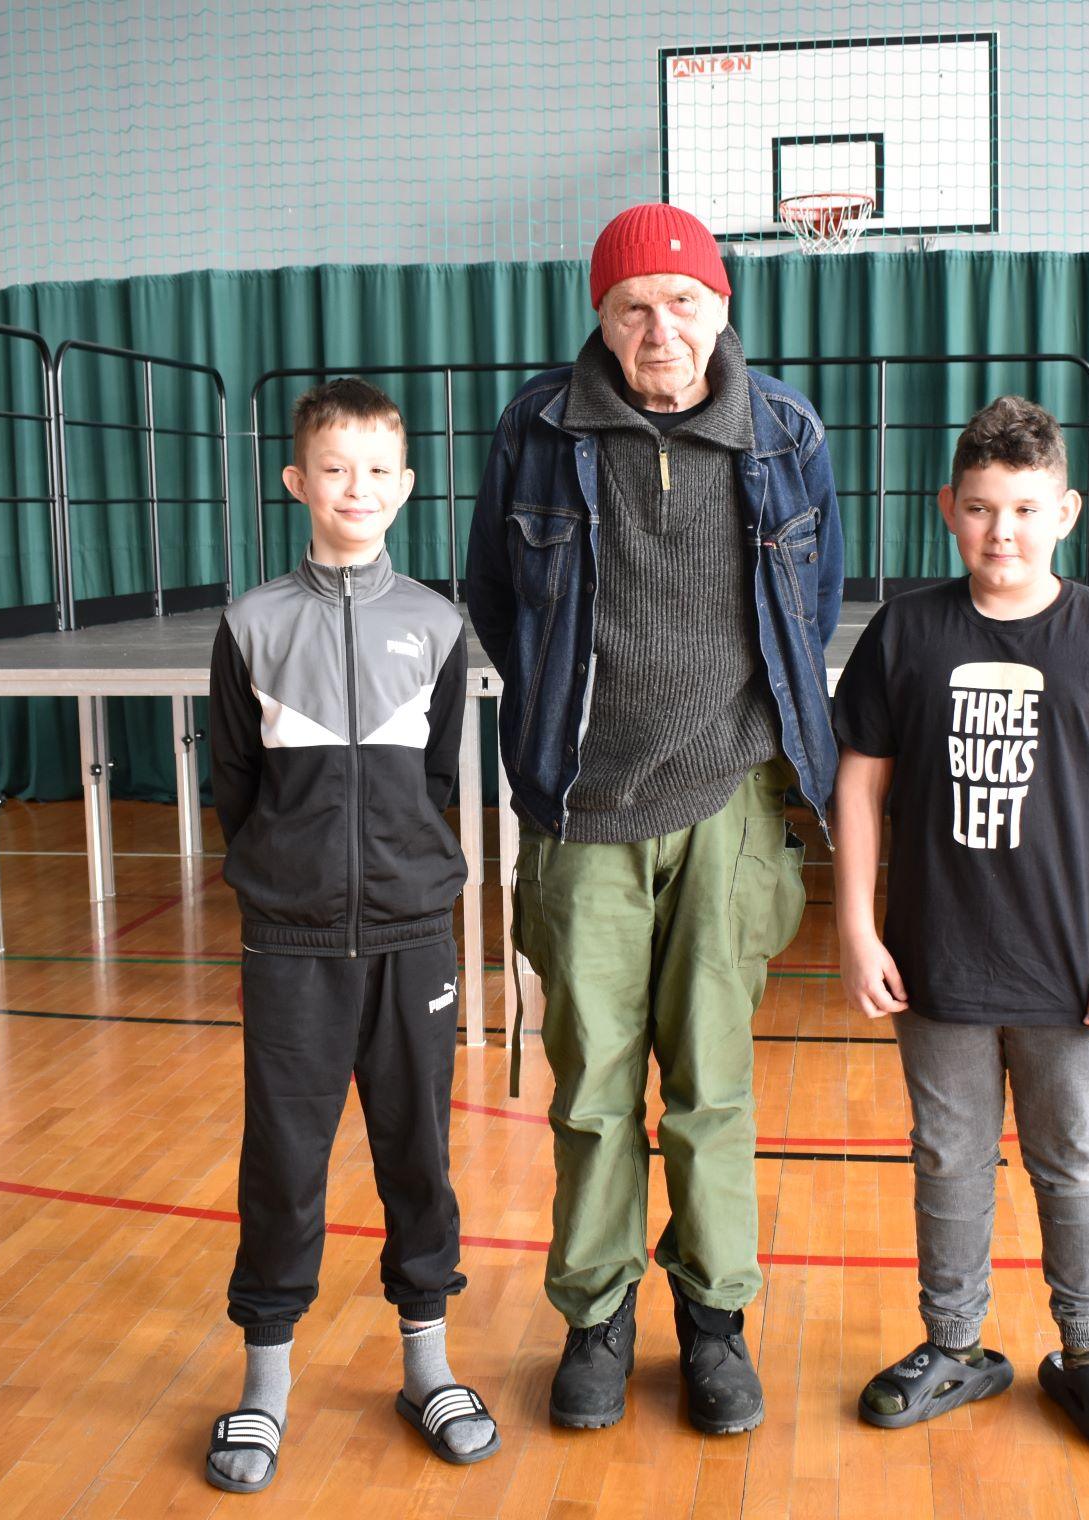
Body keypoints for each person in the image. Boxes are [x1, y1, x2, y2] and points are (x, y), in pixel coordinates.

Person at [463, 203, 842, 1435]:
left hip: (730, 799)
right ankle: (597, 1319)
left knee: (712, 1087)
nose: (659, 328)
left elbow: (812, 602)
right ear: (602, 317)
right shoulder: (537, 427)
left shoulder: (784, 430)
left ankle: (715, 1322)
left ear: (721, 307)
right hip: (583, 807)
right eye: (632, 307)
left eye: (682, 302)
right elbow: (495, 595)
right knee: (591, 1088)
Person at [831, 395, 1089, 1457]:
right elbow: (859, 787)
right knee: (947, 1157)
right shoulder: (908, 631)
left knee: (1073, 1161)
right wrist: (856, 928)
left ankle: (1088, 1351)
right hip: (937, 961)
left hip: (1071, 970)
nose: (1004, 532)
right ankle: (954, 1344)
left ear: (1066, 512)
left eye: (1027, 509)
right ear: (948, 507)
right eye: (983, 508)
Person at [202, 379, 495, 1493]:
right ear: (297, 481)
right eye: (334, 468)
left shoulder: (438, 624)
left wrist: (399, 874)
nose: (355, 488)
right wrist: (288, 875)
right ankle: (264, 1384)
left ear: (405, 486)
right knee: (284, 1161)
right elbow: (236, 784)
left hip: (415, 936)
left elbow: (435, 779)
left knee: (417, 1152)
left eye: (377, 470)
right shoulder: (250, 624)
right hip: (292, 946)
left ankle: (428, 1366)